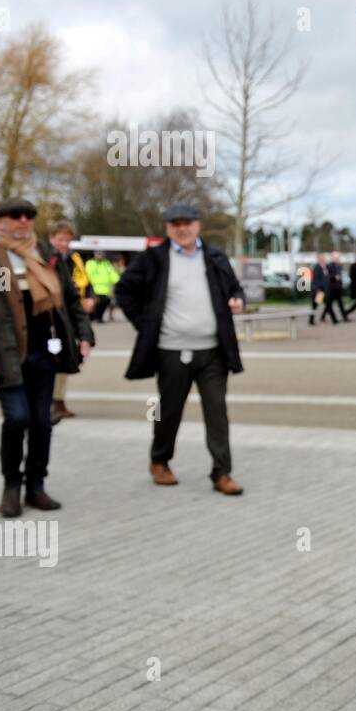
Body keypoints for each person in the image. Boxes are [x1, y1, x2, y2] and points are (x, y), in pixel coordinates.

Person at [0, 197, 94, 517]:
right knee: (17, 418)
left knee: (42, 422)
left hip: (44, 353)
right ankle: (11, 486)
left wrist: (84, 335)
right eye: (15, 216)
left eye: (28, 216)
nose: (22, 221)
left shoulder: (47, 257)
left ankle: (36, 486)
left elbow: (72, 301)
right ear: (1, 221)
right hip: (5, 355)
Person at [113, 203, 245, 496]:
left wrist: (237, 299)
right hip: (171, 350)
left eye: (187, 223)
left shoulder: (214, 257)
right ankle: (159, 461)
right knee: (168, 411)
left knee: (217, 411)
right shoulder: (154, 259)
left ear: (198, 225)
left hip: (212, 351)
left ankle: (222, 472)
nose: (182, 229)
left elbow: (235, 288)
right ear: (167, 228)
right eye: (176, 224)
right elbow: (123, 290)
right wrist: (145, 323)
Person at [47, 219, 95, 424]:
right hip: (52, 320)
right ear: (51, 239)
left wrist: (90, 297)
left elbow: (84, 283)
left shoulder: (73, 259)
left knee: (66, 360)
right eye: (60, 239)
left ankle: (58, 401)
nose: (64, 244)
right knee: (54, 362)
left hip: (70, 317)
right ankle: (53, 402)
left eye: (68, 240)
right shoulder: (48, 260)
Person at [84, 250, 120, 322]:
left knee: (105, 302)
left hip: (104, 290)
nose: (99, 256)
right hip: (93, 288)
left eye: (101, 254)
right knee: (94, 304)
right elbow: (87, 274)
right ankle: (93, 317)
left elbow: (113, 274)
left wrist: (119, 281)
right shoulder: (90, 263)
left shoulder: (106, 264)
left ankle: (98, 317)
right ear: (94, 255)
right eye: (98, 254)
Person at [309, 253, 341, 325]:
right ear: (318, 259)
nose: (323, 259)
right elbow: (316, 279)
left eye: (323, 258)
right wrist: (317, 289)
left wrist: (334, 278)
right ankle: (311, 320)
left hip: (325, 290)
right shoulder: (317, 267)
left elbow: (328, 277)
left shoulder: (326, 267)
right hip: (320, 291)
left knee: (328, 305)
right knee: (315, 305)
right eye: (321, 258)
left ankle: (334, 320)